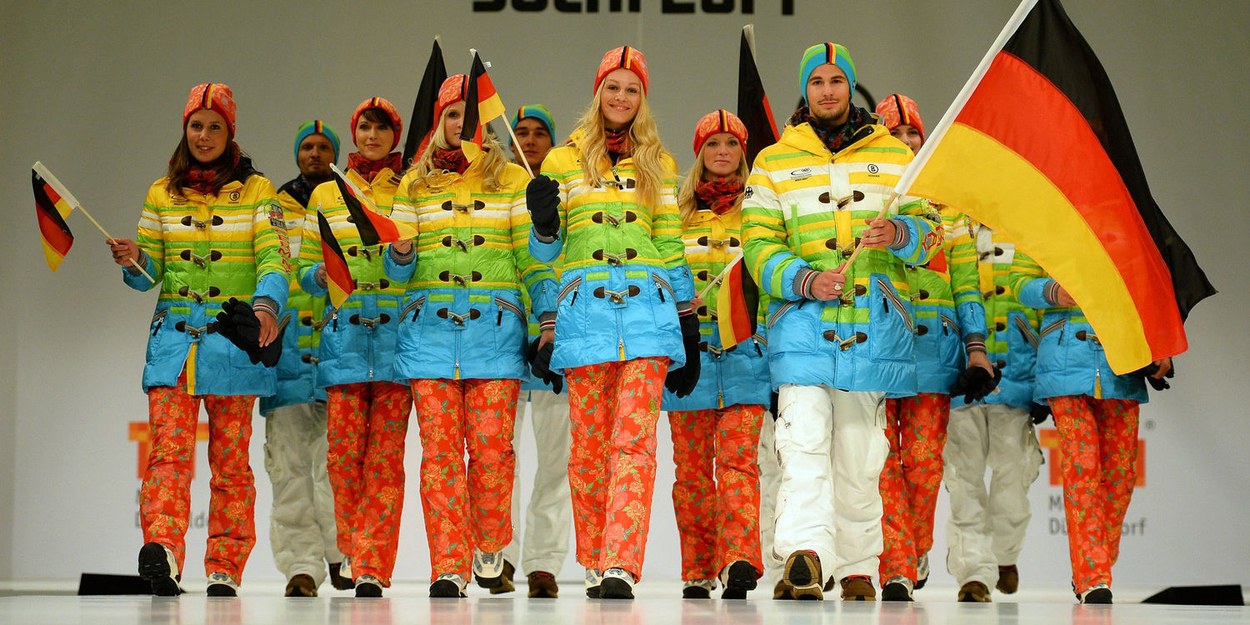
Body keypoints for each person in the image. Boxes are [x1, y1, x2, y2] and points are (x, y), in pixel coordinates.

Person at [741, 43, 941, 602]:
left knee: (860, 456)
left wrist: (899, 234)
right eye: (817, 81)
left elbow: (932, 235)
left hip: (872, 329)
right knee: (801, 442)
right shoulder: (773, 160)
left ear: (850, 86)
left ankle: (855, 565)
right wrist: (805, 280)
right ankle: (804, 556)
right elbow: (757, 243)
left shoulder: (897, 156)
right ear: (805, 89)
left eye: (836, 80)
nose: (827, 90)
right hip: (800, 326)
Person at [527, 45, 699, 600]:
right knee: (587, 449)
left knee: (634, 443)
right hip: (585, 319)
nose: (621, 97)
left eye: (632, 89)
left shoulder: (660, 162)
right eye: (613, 86)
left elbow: (670, 245)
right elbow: (543, 253)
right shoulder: (562, 161)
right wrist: (544, 223)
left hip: (648, 316)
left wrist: (687, 325)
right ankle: (596, 558)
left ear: (642, 98)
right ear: (597, 91)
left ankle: (622, 562)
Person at [108, 82, 290, 597]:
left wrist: (266, 306)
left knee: (231, 464)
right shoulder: (161, 193)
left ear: (230, 132)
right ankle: (163, 551)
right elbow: (149, 276)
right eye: (195, 125)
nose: (203, 135)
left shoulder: (258, 191)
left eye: (214, 126)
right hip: (174, 346)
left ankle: (225, 566)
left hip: (233, 342)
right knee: (167, 455)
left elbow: (276, 258)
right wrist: (135, 261)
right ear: (184, 129)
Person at [386, 76, 558, 599]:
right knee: (439, 456)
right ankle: (447, 566)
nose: (462, 125)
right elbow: (396, 272)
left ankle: (489, 545)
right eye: (453, 115)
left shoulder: (511, 178)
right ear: (440, 121)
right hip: (430, 337)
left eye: (469, 115)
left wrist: (548, 319)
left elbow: (536, 261)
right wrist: (399, 253)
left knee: (492, 453)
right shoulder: (413, 184)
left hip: (496, 336)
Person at [872, 94, 993, 601]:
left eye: (912, 134)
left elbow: (967, 282)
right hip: (878, 347)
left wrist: (977, 346)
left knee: (922, 463)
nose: (905, 142)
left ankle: (912, 550)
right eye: (894, 134)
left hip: (935, 351)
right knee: (880, 462)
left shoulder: (951, 208)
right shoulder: (866, 198)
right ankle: (898, 566)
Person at [1010, 252, 1171, 604]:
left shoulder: (1126, 231)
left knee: (1121, 475)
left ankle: (1096, 564)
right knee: (1081, 469)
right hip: (1063, 363)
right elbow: (1019, 285)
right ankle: (1092, 578)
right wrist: (1054, 291)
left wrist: (1161, 342)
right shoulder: (1047, 230)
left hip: (1121, 362)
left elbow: (1150, 287)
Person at [298, 97, 409, 598]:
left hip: (395, 343)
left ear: (395, 136)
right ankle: (352, 549)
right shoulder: (327, 191)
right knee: (342, 461)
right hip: (343, 341)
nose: (372, 135)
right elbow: (305, 266)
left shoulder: (409, 187)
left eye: (381, 128)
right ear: (355, 132)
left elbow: (418, 263)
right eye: (365, 126)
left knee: (385, 462)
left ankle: (371, 567)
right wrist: (319, 276)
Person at [661, 109, 768, 601]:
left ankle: (739, 559)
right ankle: (698, 567)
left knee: (739, 464)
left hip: (747, 358)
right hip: (691, 362)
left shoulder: (761, 211)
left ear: (743, 153)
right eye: (712, 143)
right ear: (699, 152)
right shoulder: (675, 214)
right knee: (691, 474)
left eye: (731, 143)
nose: (722, 151)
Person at [262, 120, 352, 597]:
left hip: (341, 353)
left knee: (338, 466)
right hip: (287, 358)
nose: (315, 154)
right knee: (289, 467)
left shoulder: (350, 202)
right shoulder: (273, 207)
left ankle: (341, 556)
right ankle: (301, 565)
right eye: (307, 147)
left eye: (323, 147)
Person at [941, 216, 1045, 601]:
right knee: (963, 480)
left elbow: (1042, 308)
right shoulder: (945, 221)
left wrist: (1041, 383)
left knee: (1013, 482)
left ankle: (1003, 557)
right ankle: (974, 573)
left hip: (1016, 378)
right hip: (960, 378)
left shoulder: (1027, 228)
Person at [498, 104, 573, 599]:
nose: (528, 140)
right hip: (503, 344)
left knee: (556, 461)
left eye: (538, 133)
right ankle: (499, 553)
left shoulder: (569, 194)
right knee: (498, 457)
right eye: (520, 133)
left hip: (556, 346)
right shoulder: (497, 192)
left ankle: (544, 562)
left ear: (553, 141)